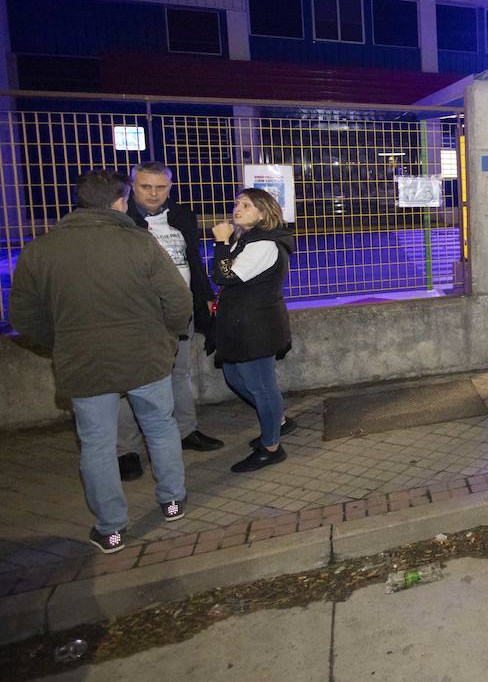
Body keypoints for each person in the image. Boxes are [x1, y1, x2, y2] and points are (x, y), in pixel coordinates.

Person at [9, 170, 192, 553]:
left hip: (83, 363)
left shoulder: (41, 249)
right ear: (120, 201)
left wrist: (61, 343)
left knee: (97, 445)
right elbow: (178, 299)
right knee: (160, 427)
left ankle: (111, 529)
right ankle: (172, 501)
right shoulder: (139, 243)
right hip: (145, 357)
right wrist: (168, 337)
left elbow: (23, 316)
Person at [115, 161, 222, 484]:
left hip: (180, 311)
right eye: (146, 186)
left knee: (180, 374)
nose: (153, 193)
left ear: (170, 188)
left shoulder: (182, 217)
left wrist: (204, 299)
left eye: (160, 187)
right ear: (133, 187)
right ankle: (127, 451)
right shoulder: (121, 222)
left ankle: (186, 431)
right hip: (138, 316)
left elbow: (194, 261)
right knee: (128, 382)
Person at [210, 188, 296, 473]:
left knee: (262, 387)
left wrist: (220, 243)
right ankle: (278, 420)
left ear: (262, 213)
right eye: (237, 203)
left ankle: (271, 447)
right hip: (242, 325)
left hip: (255, 327)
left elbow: (224, 275)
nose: (237, 208)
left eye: (246, 205)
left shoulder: (264, 245)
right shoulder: (248, 239)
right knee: (234, 377)